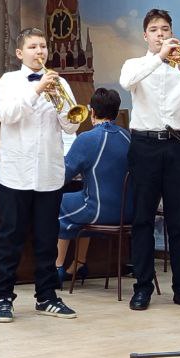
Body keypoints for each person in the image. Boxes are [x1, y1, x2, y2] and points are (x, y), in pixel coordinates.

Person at [0, 27, 80, 322]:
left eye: (43, 46)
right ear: (20, 53)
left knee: (47, 239)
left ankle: (47, 297)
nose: (40, 51)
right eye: (33, 47)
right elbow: (7, 115)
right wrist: (37, 90)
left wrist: (61, 104)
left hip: (48, 172)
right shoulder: (8, 82)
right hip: (15, 172)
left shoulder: (60, 82)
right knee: (10, 237)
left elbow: (71, 125)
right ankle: (4, 297)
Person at [119, 9, 180, 312]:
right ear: (145, 35)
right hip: (144, 145)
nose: (160, 34)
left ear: (172, 32)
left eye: (165, 29)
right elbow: (127, 82)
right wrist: (159, 58)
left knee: (179, 220)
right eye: (154, 30)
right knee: (142, 218)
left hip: (176, 145)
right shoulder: (135, 64)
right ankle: (142, 287)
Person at [55, 87, 134, 286]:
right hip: (128, 212)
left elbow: (63, 176)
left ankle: (56, 267)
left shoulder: (87, 138)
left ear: (92, 111)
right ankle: (79, 263)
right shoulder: (127, 136)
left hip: (100, 211)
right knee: (81, 199)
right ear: (116, 111)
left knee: (59, 203)